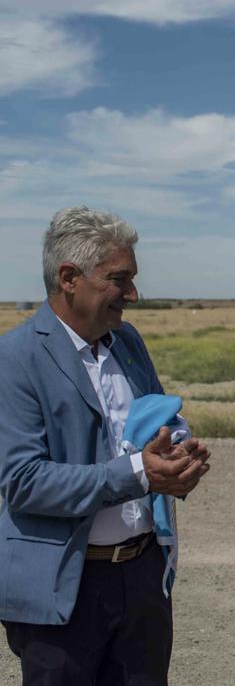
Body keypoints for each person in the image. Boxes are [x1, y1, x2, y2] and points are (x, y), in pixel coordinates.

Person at [0, 207, 212, 685]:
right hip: (64, 586)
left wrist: (176, 457)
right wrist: (140, 472)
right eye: (120, 279)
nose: (133, 295)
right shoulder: (14, 360)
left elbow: (156, 418)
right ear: (70, 277)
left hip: (141, 576)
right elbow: (23, 482)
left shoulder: (126, 341)